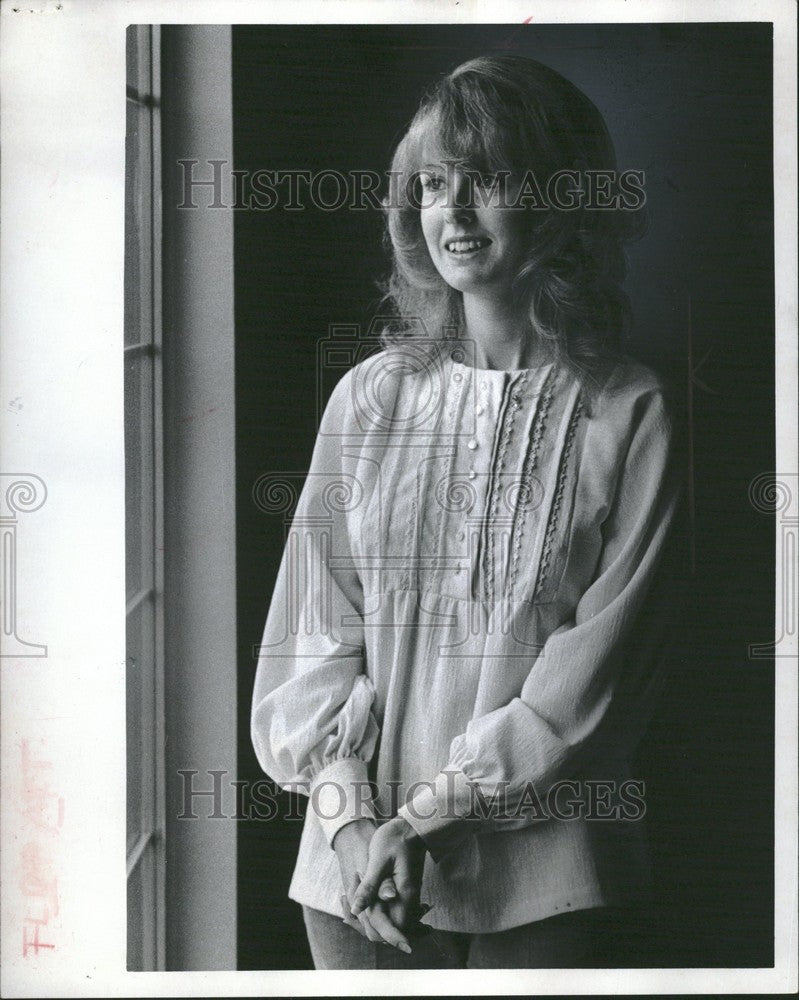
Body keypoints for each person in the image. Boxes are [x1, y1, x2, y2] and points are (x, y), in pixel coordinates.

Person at [251, 53, 684, 969]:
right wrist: (354, 830)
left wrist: (428, 821)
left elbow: (587, 692)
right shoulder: (370, 400)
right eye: (433, 182)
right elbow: (308, 646)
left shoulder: (629, 412)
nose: (452, 209)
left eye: (488, 178)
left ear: (565, 200)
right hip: (355, 888)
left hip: (546, 887)